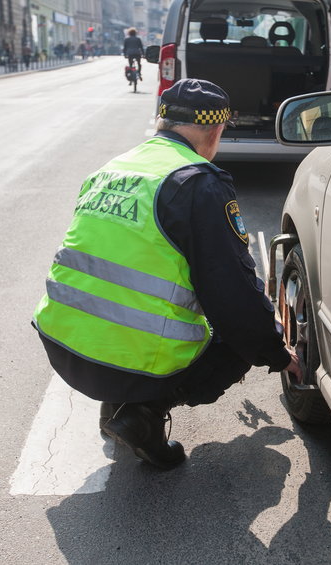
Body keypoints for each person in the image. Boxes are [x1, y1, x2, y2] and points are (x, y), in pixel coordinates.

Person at [32, 78, 301, 471]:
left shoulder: (113, 167)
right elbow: (234, 296)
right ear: (216, 130)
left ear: (162, 123)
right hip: (121, 361)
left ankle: (119, 404)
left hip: (63, 345)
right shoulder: (197, 183)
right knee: (236, 331)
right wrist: (276, 352)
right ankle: (143, 415)